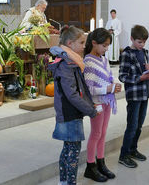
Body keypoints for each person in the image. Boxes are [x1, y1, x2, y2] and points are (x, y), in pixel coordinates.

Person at [49, 25, 98, 185]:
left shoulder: (71, 62)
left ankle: (63, 182)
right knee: (73, 153)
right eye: (81, 42)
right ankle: (69, 182)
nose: (84, 46)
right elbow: (72, 94)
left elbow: (79, 89)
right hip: (70, 113)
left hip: (71, 112)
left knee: (67, 149)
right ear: (70, 44)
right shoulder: (66, 64)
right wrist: (90, 110)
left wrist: (89, 103)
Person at [83, 28, 122, 182]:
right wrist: (106, 88)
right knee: (96, 134)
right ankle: (90, 166)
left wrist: (114, 85)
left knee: (103, 133)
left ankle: (101, 162)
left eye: (108, 46)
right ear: (94, 43)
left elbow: (109, 77)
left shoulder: (104, 60)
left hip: (107, 100)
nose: (106, 49)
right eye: (104, 45)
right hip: (97, 102)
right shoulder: (88, 61)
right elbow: (89, 89)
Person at [118, 25, 149, 168]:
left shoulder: (144, 52)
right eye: (139, 42)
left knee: (139, 125)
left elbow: (145, 73)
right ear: (132, 39)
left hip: (144, 93)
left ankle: (133, 150)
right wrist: (140, 78)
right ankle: (123, 155)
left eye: (144, 42)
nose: (142, 44)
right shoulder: (126, 54)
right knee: (132, 126)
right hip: (134, 95)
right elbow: (122, 76)